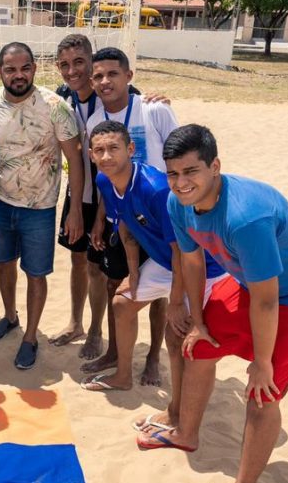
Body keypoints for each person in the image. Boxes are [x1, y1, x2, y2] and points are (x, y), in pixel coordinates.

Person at [139, 125, 288, 483]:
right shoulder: (179, 203)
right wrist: (198, 322)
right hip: (248, 282)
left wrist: (262, 361)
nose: (180, 183)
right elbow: (192, 262)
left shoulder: (246, 216)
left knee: (263, 392)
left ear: (215, 167)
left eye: (191, 172)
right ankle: (186, 432)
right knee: (199, 347)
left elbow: (268, 300)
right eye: (173, 173)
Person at [80, 121, 227, 397]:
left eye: (114, 148)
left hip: (200, 266)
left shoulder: (156, 189)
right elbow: (125, 225)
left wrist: (174, 301)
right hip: (165, 261)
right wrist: (133, 272)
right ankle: (123, 375)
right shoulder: (104, 180)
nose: (106, 157)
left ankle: (180, 407)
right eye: (99, 150)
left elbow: (182, 252)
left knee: (177, 333)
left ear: (131, 149)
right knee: (122, 305)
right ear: (91, 155)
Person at [52, 34, 169, 361]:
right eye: (65, 64)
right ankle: (82, 325)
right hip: (88, 195)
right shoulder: (63, 98)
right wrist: (79, 207)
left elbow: (165, 142)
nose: (73, 71)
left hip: (134, 202)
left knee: (131, 274)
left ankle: (126, 345)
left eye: (80, 63)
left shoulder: (135, 102)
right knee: (83, 262)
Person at [0, 42, 84, 369]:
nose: (18, 75)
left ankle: (31, 336)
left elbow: (74, 160)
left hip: (41, 209)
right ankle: (10, 317)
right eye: (10, 69)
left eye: (24, 68)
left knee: (35, 274)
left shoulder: (54, 106)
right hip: (0, 204)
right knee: (4, 265)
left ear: (34, 68)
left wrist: (74, 209)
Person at [79, 47, 174, 385]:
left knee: (160, 293)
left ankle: (151, 359)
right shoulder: (95, 122)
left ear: (128, 76)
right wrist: (100, 219)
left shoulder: (154, 110)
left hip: (160, 218)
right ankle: (115, 352)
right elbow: (106, 181)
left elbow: (178, 158)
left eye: (113, 74)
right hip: (125, 220)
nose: (105, 81)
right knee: (115, 283)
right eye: (99, 75)